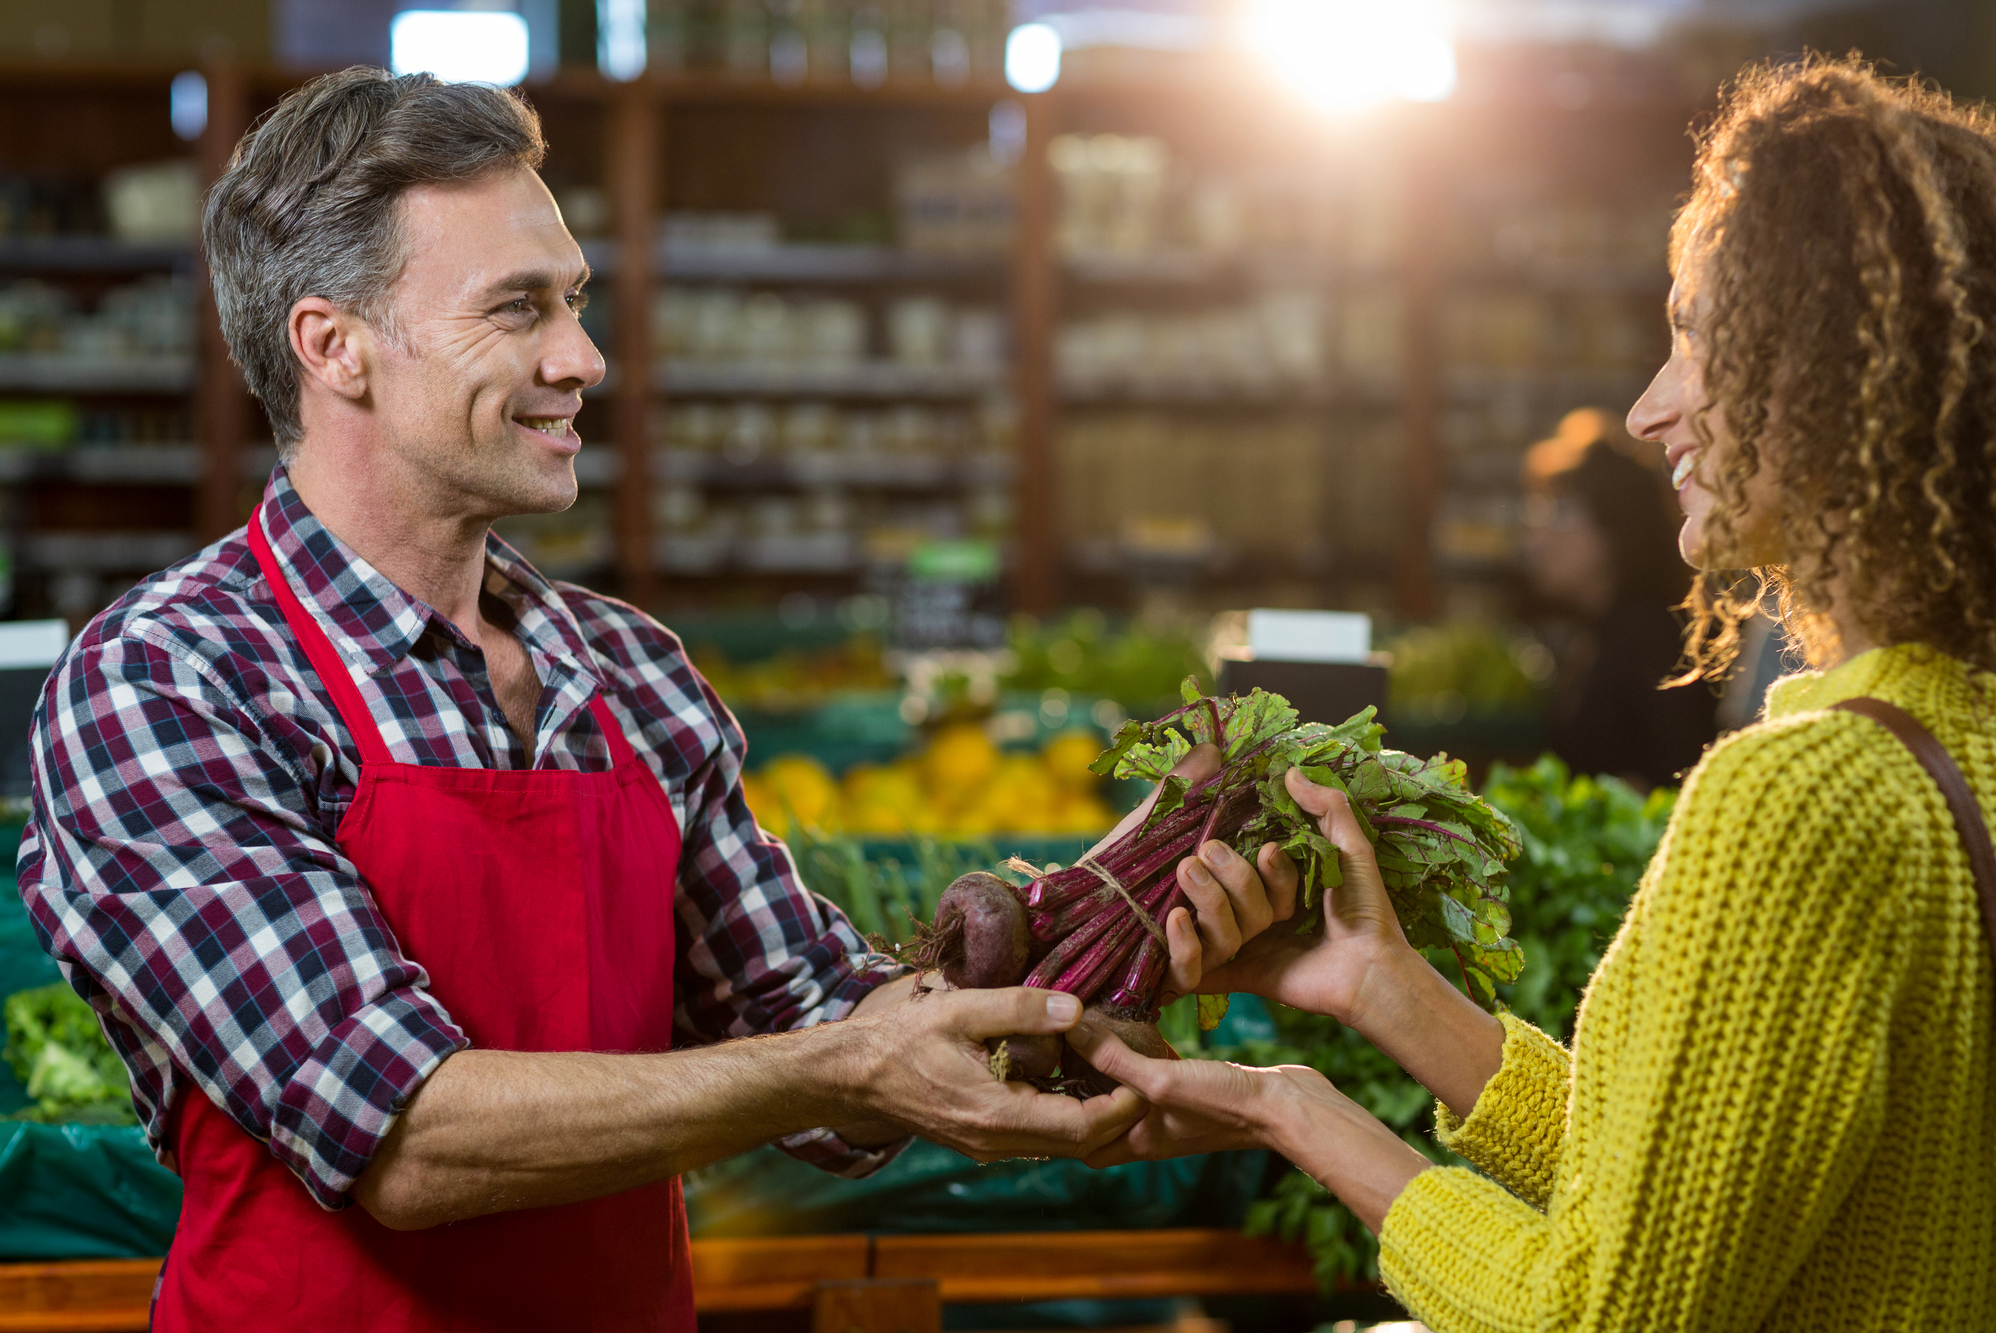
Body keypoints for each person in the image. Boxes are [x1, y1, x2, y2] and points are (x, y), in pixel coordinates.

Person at [13, 70, 1294, 1330]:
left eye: (572, 300)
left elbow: (813, 1013)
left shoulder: (626, 671)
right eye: (517, 310)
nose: (584, 356)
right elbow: (400, 1137)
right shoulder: (171, 678)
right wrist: (845, 1062)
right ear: (333, 346)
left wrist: (1113, 927)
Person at [1068, 57, 1996, 1330]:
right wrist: (1378, 989)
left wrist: (1292, 1109)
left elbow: (1593, 1318)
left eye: (1692, 336)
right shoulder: (1965, 750)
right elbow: (1672, 1197)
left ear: (1824, 380)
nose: (1648, 409)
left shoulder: (1799, 799)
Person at [1521, 407, 1716, 788]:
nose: (1536, 534)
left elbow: (1672, 779)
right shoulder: (1604, 630)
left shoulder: (1650, 639)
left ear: (1613, 528)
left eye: (1559, 512)